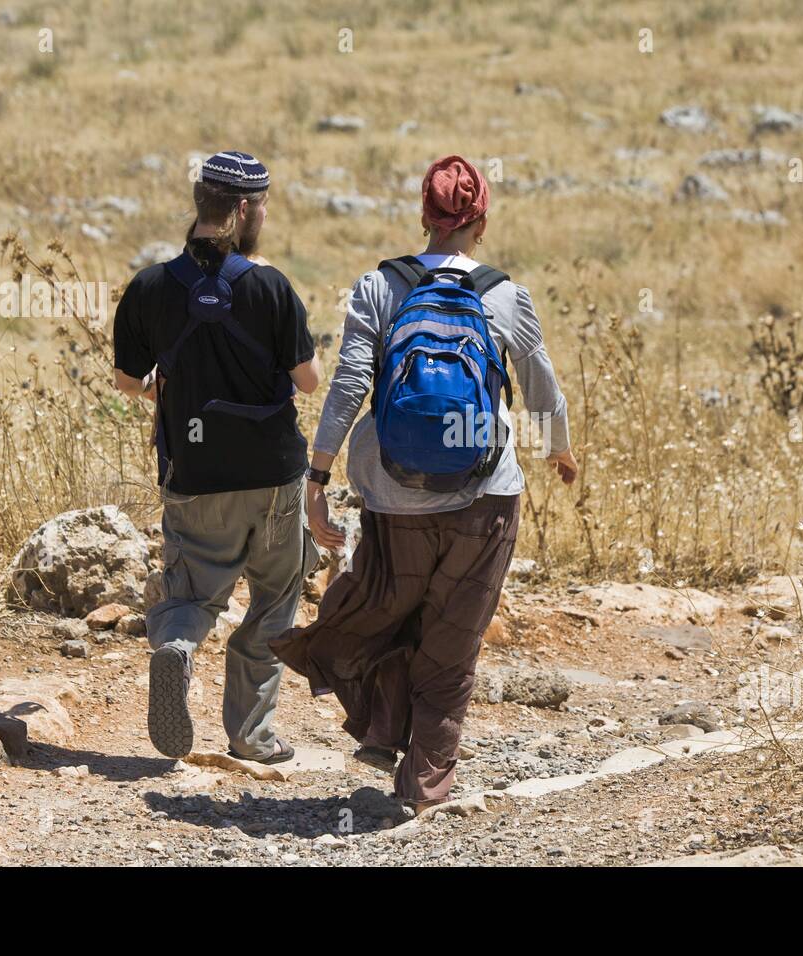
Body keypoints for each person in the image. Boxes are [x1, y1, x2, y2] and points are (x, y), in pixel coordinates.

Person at [269, 154, 578, 810]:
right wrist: (559, 451)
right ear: (482, 222)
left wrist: (317, 475)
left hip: (394, 493)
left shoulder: (379, 287)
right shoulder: (505, 293)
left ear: (423, 217)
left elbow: (351, 382)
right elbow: (541, 385)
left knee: (393, 608)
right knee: (452, 638)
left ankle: (381, 724)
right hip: (486, 493)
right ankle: (424, 787)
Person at [112, 149, 321, 763]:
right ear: (242, 209)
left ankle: (176, 644)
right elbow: (308, 381)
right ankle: (251, 735)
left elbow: (127, 380)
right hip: (274, 475)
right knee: (275, 597)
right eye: (261, 206)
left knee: (191, 593)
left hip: (194, 475)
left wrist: (162, 389)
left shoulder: (150, 287)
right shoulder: (271, 285)